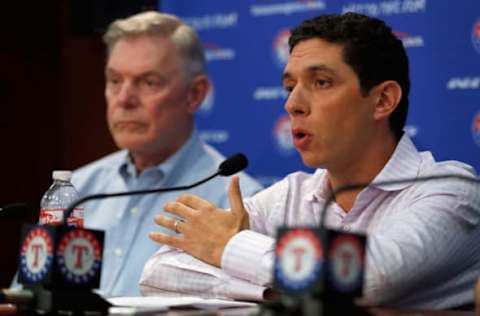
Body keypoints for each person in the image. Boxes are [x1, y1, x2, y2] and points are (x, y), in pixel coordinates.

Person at [139, 12, 480, 309]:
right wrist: (280, 291)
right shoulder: (290, 195)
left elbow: (370, 277)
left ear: (382, 100)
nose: (292, 105)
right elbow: (160, 271)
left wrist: (230, 246)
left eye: (321, 82)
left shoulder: (450, 190)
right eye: (290, 87)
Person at [69, 11, 262, 297]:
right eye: (115, 80)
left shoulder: (239, 202)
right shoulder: (77, 189)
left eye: (149, 82)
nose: (124, 99)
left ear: (195, 94)